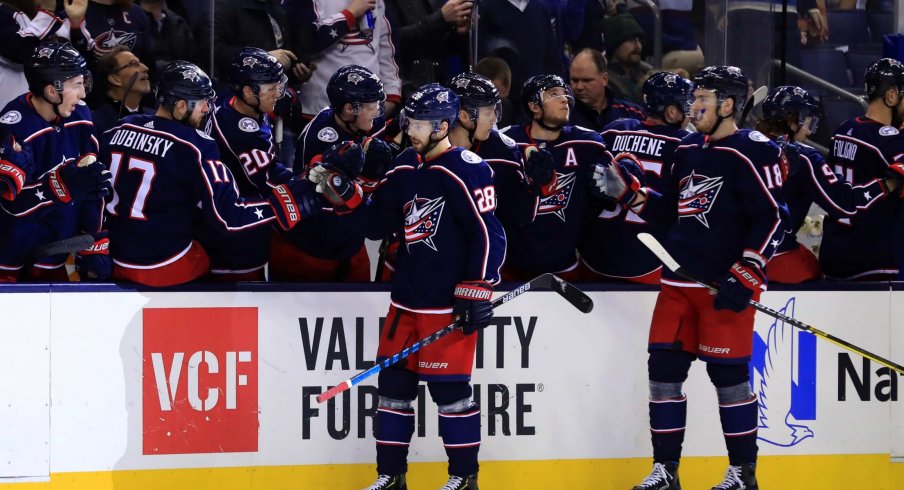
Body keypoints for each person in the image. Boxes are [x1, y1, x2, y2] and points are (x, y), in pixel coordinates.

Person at [596, 66, 785, 490]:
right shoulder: (685, 149)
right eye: (693, 99)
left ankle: (742, 473)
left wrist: (749, 269)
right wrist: (629, 194)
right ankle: (666, 471)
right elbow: (668, 214)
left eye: (703, 100)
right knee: (662, 374)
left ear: (730, 106)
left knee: (729, 381)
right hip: (678, 287)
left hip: (724, 288)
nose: (693, 107)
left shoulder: (754, 151)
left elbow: (774, 218)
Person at [354, 83, 505, 490]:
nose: (410, 130)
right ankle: (390, 476)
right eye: (408, 122)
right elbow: (373, 224)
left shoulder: (469, 168)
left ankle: (463, 478)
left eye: (418, 124)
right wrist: (363, 183)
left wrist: (478, 289)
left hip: (444, 306)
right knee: (393, 390)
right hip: (405, 303)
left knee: (451, 394)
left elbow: (489, 235)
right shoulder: (404, 166)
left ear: (441, 125)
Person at [99, 60, 327, 286]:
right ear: (180, 106)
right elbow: (229, 216)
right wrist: (283, 205)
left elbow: (98, 191)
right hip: (166, 263)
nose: (208, 109)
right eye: (202, 102)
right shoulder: (195, 145)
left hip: (118, 256)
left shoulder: (118, 128)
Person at [757, 85, 895, 283]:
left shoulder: (741, 146)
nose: (808, 133)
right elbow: (844, 205)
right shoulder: (803, 158)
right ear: (793, 119)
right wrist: (887, 184)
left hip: (724, 253)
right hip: (773, 254)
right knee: (810, 268)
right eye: (808, 123)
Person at [0, 41, 113, 282]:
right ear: (53, 90)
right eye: (77, 85)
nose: (83, 94)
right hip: (9, 259)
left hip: (56, 254)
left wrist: (95, 242)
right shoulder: (15, 128)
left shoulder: (80, 116)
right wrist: (56, 186)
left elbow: (93, 183)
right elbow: (7, 206)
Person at [271, 64, 391, 282]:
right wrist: (370, 180)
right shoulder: (320, 137)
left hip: (350, 244)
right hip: (309, 247)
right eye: (371, 105)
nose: (377, 111)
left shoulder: (367, 120)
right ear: (349, 109)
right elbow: (329, 194)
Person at [500, 74, 612, 281]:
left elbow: (615, 176)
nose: (564, 99)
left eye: (564, 93)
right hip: (510, 267)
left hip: (565, 266)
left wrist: (624, 169)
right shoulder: (505, 142)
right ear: (534, 106)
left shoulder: (588, 143)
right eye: (553, 94)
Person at [585, 71, 693, 284]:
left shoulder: (614, 131)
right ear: (671, 112)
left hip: (595, 257)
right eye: (686, 105)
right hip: (650, 264)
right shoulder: (687, 144)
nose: (691, 112)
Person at [206, 47, 299, 281]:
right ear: (248, 91)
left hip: (219, 220)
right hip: (235, 237)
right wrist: (309, 182)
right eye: (271, 88)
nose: (278, 93)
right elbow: (270, 180)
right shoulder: (243, 135)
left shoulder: (233, 100)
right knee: (240, 303)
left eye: (279, 84)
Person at [820, 58, 904, 281]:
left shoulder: (843, 130)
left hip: (835, 254)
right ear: (892, 95)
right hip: (872, 260)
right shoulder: (889, 140)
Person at [448, 71, 554, 227]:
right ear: (464, 116)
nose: (494, 119)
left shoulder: (504, 152)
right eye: (489, 112)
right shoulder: (427, 151)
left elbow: (522, 217)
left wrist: (535, 186)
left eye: (495, 110)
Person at [0, 0, 92, 109]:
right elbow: (19, 52)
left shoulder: (62, 12)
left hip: (56, 109)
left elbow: (83, 61)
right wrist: (47, 13)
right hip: (13, 110)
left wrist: (76, 24)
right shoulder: (4, 13)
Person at [568, 48, 646, 132]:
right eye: (574, 80)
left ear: (604, 79)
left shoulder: (634, 113)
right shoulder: (563, 116)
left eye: (587, 80)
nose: (579, 87)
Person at [91, 46, 153, 135]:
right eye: (133, 64)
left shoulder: (156, 117)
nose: (145, 68)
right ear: (115, 79)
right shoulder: (95, 122)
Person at [602, 13, 654, 104]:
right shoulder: (606, 81)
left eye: (639, 41)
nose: (638, 46)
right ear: (615, 45)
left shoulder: (644, 71)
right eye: (631, 40)